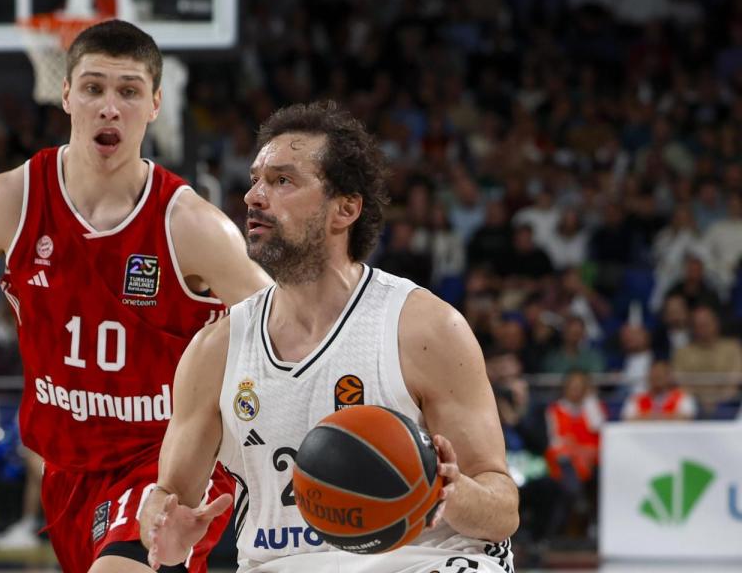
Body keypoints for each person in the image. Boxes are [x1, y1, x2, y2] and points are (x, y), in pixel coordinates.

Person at [0, 20, 270, 573]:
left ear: (155, 103)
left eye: (129, 91)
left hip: (165, 464)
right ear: (65, 94)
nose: (110, 107)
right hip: (67, 472)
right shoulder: (10, 201)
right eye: (93, 88)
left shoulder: (193, 227)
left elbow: (286, 327)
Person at [141, 101, 518, 573]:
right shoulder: (215, 350)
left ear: (346, 209)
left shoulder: (424, 329)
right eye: (256, 180)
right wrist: (162, 527)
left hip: (424, 560)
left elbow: (503, 511)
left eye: (282, 180)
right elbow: (171, 496)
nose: (254, 197)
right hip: (284, 564)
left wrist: (449, 491)